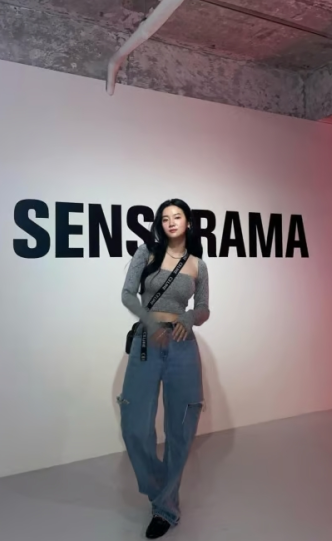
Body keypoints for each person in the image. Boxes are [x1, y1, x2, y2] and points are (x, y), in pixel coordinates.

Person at [118, 199, 210, 539]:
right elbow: (128, 294)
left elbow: (204, 308)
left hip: (183, 345)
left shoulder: (198, 265)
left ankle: (165, 509)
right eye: (165, 217)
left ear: (188, 222)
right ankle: (162, 490)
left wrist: (190, 316)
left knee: (181, 428)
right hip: (147, 341)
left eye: (177, 216)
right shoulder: (147, 253)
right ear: (160, 223)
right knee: (134, 425)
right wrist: (149, 322)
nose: (171, 222)